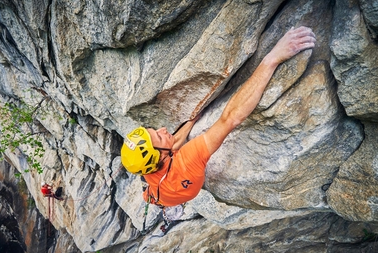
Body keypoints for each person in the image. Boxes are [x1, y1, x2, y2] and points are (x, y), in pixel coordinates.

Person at [121, 26, 316, 208]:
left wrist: (191, 121)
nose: (162, 129)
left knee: (157, 175)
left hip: (165, 196)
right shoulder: (189, 159)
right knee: (178, 146)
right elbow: (231, 117)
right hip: (187, 179)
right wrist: (272, 58)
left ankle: (153, 189)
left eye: (154, 131)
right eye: (159, 136)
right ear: (159, 156)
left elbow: (169, 147)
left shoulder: (150, 180)